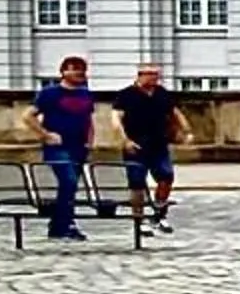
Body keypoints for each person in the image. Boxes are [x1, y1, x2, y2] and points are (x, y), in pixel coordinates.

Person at [26, 56, 97, 242]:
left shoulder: (85, 94)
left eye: (82, 69)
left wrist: (90, 140)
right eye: (74, 69)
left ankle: (59, 225)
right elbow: (28, 116)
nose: (79, 73)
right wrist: (45, 135)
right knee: (68, 181)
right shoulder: (50, 93)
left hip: (78, 146)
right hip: (58, 147)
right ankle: (66, 223)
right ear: (64, 72)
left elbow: (89, 119)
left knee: (70, 187)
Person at [113, 63, 189, 234]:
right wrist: (125, 140)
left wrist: (186, 131)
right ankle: (138, 220)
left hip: (158, 144)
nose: (154, 78)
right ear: (140, 75)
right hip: (136, 145)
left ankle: (159, 214)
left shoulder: (161, 93)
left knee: (166, 176)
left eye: (156, 74)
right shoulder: (126, 95)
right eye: (149, 74)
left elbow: (175, 113)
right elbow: (116, 119)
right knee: (137, 183)